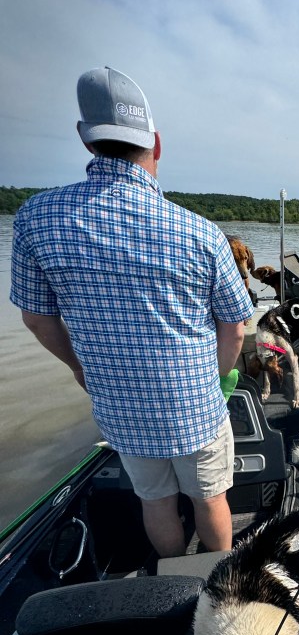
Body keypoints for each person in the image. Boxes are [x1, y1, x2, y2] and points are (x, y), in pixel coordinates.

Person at [11, 66, 254, 557]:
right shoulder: (200, 232)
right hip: (196, 405)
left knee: (156, 501)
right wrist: (216, 378)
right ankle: (216, 583)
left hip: (120, 406)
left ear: (86, 140)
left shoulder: (35, 218)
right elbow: (236, 329)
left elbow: (37, 318)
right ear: (156, 143)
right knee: (210, 498)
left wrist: (82, 367)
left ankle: (168, 577)